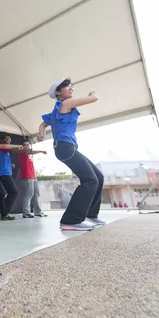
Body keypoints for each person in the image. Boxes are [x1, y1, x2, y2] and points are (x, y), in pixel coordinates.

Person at [38, 78, 105, 231]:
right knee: (90, 180)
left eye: (71, 86)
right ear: (57, 92)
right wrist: (92, 94)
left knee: (98, 177)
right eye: (67, 86)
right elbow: (93, 98)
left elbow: (43, 123)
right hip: (65, 148)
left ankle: (91, 215)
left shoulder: (57, 109)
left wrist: (41, 133)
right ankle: (70, 220)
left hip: (68, 148)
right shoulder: (66, 103)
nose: (71, 87)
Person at [18, 140, 47, 218]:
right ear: (22, 146)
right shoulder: (23, 152)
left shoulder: (29, 154)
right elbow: (30, 151)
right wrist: (41, 151)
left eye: (28, 145)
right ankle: (26, 212)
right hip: (27, 176)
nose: (26, 146)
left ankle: (37, 211)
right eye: (25, 145)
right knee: (29, 194)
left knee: (36, 194)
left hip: (33, 176)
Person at [0, 134, 22, 215]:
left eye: (9, 139)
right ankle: (4, 212)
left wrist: (10, 164)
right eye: (6, 138)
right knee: (14, 192)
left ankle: (3, 211)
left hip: (6, 173)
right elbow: (7, 147)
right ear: (2, 140)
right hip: (3, 174)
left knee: (10, 193)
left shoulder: (6, 151)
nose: (8, 140)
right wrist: (18, 146)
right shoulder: (3, 147)